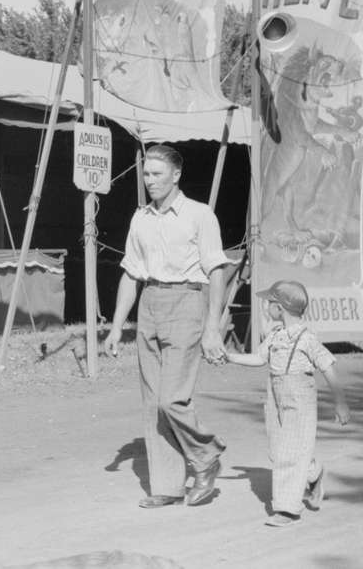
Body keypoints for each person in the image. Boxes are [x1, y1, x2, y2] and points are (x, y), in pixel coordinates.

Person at [104, 144, 231, 509]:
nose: (150, 181)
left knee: (171, 399)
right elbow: (131, 273)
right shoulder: (140, 218)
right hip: (150, 304)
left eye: (157, 174)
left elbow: (217, 271)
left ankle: (205, 455)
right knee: (152, 403)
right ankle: (168, 485)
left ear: (176, 175)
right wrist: (116, 328)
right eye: (146, 174)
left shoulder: (199, 215)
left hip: (188, 301)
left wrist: (212, 327)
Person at [224, 279, 350, 528]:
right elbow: (259, 358)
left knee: (288, 453)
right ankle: (313, 473)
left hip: (300, 396)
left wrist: (341, 403)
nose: (266, 307)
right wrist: (229, 357)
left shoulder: (306, 338)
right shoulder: (275, 335)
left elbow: (329, 367)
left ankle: (287, 508)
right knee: (279, 448)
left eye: (269, 303)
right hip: (276, 394)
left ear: (279, 307)